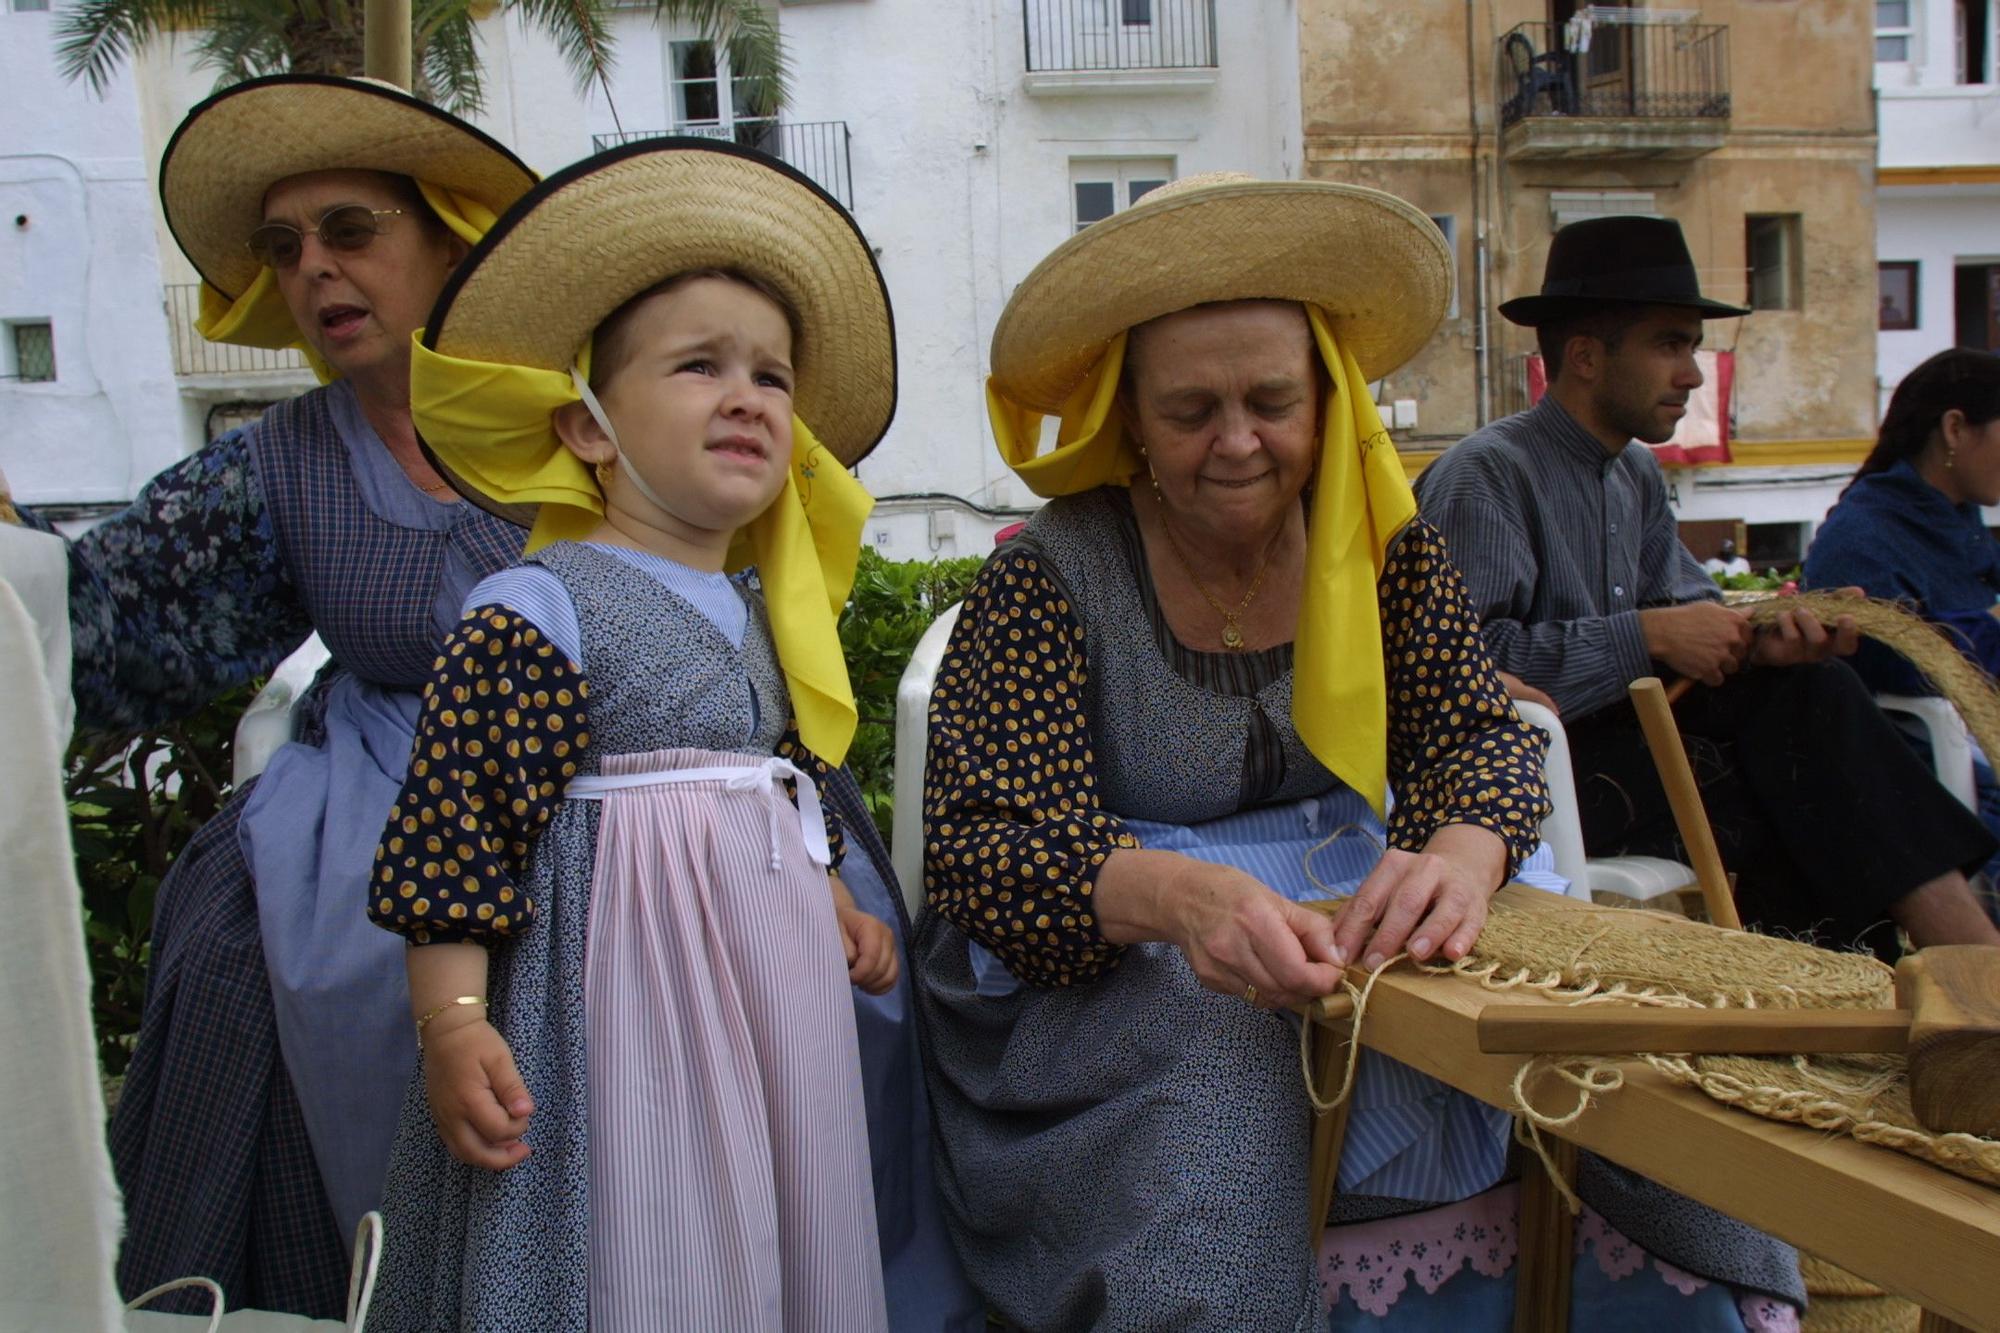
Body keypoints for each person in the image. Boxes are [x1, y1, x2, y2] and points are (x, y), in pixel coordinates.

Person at [914, 174, 1803, 1329]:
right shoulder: (1051, 575)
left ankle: (1718, 1304)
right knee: (1228, 1041)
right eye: (1189, 412)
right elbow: (986, 845)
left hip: (1350, 903)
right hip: (1122, 952)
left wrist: (1461, 858)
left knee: (1597, 1023)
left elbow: (1484, 737)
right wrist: (1181, 899)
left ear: (1328, 403)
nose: (1237, 443)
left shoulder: (1383, 551)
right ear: (1127, 416)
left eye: (1270, 403)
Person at [363, 141, 903, 1331]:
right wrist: (453, 1022)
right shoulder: (542, 605)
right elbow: (458, 833)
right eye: (699, 364)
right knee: (650, 1232)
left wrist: (835, 907)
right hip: (623, 999)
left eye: (771, 374)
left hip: (769, 987)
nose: (748, 395)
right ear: (590, 428)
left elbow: (771, 791)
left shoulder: (762, 613)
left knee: (773, 1208)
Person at [30, 75, 538, 1315]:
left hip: (578, 773)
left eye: (351, 231)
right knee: (228, 949)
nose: (313, 270)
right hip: (367, 793)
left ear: (447, 240)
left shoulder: (584, 414)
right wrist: (19, 570)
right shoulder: (277, 462)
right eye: (284, 247)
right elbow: (113, 622)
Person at [1417, 214, 2000, 959]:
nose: (1692, 373)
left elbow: (1692, 619)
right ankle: (1962, 975)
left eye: (1691, 346)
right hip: (1522, 786)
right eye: (1669, 344)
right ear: (1587, 357)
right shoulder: (1488, 475)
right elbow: (1456, 668)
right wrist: (1647, 638)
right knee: (1800, 763)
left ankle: (1867, 1004)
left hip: (1645, 752)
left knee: (1807, 707)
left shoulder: (1633, 474)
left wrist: (1767, 639)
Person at [1805, 347, 2000, 905]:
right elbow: (1897, 665)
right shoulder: (1864, 535)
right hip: (1921, 758)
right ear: (1956, 429)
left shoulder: (1960, 520)